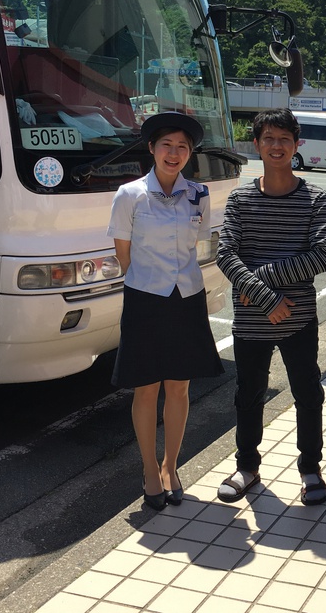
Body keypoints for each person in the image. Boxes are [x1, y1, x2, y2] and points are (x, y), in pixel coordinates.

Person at [216, 108, 326, 505]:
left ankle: (310, 468)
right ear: (256, 144)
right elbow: (226, 255)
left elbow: (322, 256)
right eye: (268, 138)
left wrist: (259, 279)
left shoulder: (316, 199)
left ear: (297, 144)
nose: (277, 145)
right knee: (248, 394)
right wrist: (267, 298)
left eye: (285, 138)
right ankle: (247, 466)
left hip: (298, 318)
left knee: (308, 393)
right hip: (251, 319)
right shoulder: (241, 198)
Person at [107, 111, 224, 511]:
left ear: (190, 153)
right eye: (166, 145)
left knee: (179, 387)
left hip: (186, 297)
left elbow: (197, 244)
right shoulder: (130, 195)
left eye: (182, 147)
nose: (174, 154)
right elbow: (123, 253)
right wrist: (147, 280)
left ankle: (171, 466)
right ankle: (148, 468)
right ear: (152, 149)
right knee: (146, 388)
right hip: (145, 298)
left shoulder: (199, 194)